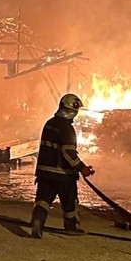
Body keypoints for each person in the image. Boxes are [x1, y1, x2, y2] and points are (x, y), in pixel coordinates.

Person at [30, 93, 95, 239]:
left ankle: (37, 221)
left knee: (43, 200)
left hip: (44, 173)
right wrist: (82, 168)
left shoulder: (49, 124)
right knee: (70, 202)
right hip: (63, 175)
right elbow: (68, 152)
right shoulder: (66, 128)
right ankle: (72, 227)